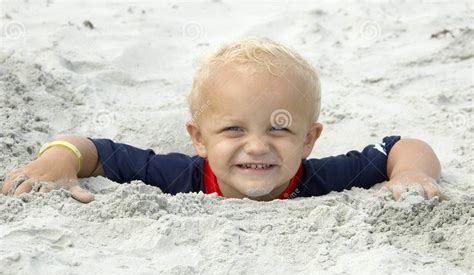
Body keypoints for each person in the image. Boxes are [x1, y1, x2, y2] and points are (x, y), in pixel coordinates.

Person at [1, 38, 445, 203]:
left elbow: (402, 147)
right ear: (199, 138)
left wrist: (411, 172)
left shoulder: (321, 179)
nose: (256, 146)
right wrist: (56, 161)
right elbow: (96, 150)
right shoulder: (181, 177)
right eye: (234, 129)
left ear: (309, 140)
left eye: (279, 128)